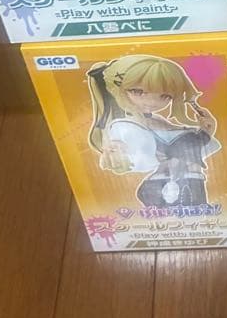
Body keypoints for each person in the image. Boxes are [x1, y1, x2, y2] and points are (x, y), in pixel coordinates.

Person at [87, 55, 219, 206]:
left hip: (185, 187)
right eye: (138, 91)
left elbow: (189, 147)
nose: (152, 101)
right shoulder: (124, 126)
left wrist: (206, 132)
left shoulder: (157, 121)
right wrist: (118, 149)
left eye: (165, 96)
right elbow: (132, 151)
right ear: (117, 90)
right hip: (159, 188)